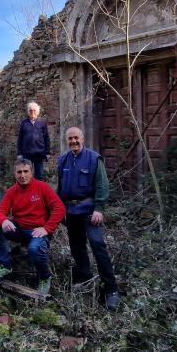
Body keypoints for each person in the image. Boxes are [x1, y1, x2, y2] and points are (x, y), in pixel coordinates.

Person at [57, 127, 120, 310]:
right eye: (70, 139)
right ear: (66, 141)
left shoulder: (94, 159)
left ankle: (111, 290)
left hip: (90, 210)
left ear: (82, 139)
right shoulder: (63, 161)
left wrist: (99, 208)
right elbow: (60, 189)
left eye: (76, 138)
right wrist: (59, 210)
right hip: (71, 211)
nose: (73, 142)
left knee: (97, 244)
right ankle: (85, 278)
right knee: (77, 246)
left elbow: (102, 185)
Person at [0, 158, 66, 295]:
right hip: (19, 230)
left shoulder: (42, 187)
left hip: (37, 231)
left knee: (34, 249)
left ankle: (44, 277)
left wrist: (47, 228)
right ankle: (5, 265)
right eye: (19, 172)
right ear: (15, 174)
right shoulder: (12, 191)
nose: (23, 175)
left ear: (32, 172)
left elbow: (60, 208)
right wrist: (4, 221)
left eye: (25, 171)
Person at [17, 101, 51, 180]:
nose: (32, 112)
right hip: (27, 154)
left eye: (34, 110)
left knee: (39, 175)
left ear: (37, 112)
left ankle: (39, 191)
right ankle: (28, 191)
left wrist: (47, 152)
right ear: (28, 112)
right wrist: (19, 153)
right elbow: (20, 139)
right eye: (30, 110)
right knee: (27, 174)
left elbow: (46, 138)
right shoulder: (24, 123)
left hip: (39, 153)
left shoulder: (42, 123)